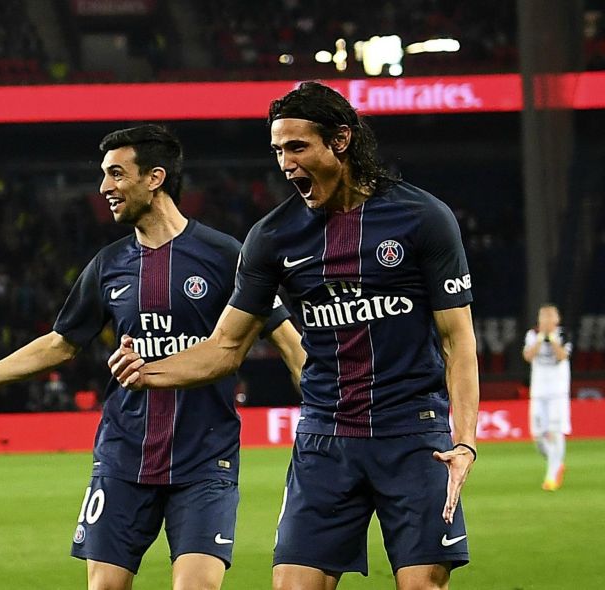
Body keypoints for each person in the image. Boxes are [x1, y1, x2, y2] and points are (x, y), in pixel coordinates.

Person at [0, 125, 305, 590]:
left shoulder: (226, 255)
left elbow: (289, 342)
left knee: (196, 586)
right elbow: (60, 343)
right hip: (123, 456)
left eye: (116, 174)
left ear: (155, 178)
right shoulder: (108, 265)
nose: (104, 187)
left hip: (204, 458)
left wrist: (323, 416)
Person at [108, 82, 480, 590]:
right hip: (325, 438)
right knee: (291, 585)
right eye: (278, 150)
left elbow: (458, 341)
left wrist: (464, 441)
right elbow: (226, 347)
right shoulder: (272, 237)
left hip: (413, 435)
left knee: (421, 585)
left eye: (298, 147)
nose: (285, 164)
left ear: (341, 140)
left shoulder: (422, 218)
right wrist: (147, 372)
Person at [522, 304, 571, 491]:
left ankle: (551, 476)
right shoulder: (532, 335)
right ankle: (556, 462)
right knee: (538, 436)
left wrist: (553, 339)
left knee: (556, 432)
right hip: (538, 391)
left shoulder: (564, 334)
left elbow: (562, 356)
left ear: (557, 320)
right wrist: (541, 339)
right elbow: (528, 356)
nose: (547, 321)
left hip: (558, 392)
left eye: (551, 317)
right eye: (544, 317)